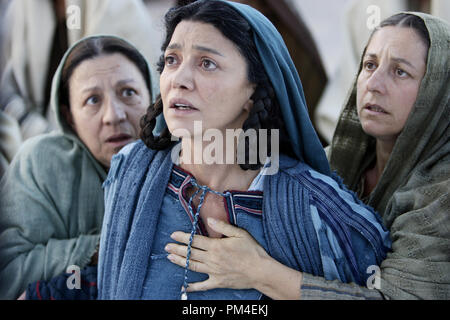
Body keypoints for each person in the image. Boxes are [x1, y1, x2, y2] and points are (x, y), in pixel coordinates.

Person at [97, 0, 390, 300]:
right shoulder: (131, 172)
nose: (178, 80)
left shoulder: (313, 207)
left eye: (206, 63)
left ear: (254, 91)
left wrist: (269, 275)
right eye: (172, 60)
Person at [162, 11, 449, 300]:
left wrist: (260, 272)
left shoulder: (443, 194)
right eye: (370, 65)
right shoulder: (328, 167)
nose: (374, 84)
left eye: (400, 71)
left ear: (439, 90)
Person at [0, 35, 154, 300]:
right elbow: (10, 274)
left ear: (152, 98)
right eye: (93, 100)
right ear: (69, 115)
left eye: (128, 93)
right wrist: (104, 247)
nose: (114, 115)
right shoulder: (39, 164)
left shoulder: (181, 163)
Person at [0, 0, 159, 164]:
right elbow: (8, 91)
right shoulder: (21, 9)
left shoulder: (117, 7)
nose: (112, 116)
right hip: (27, 140)